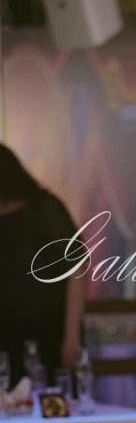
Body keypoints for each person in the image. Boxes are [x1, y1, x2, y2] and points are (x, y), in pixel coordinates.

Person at [0, 145, 85, 386]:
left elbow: (77, 269)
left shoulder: (45, 207)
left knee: (55, 398)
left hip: (51, 329)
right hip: (6, 334)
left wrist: (71, 335)